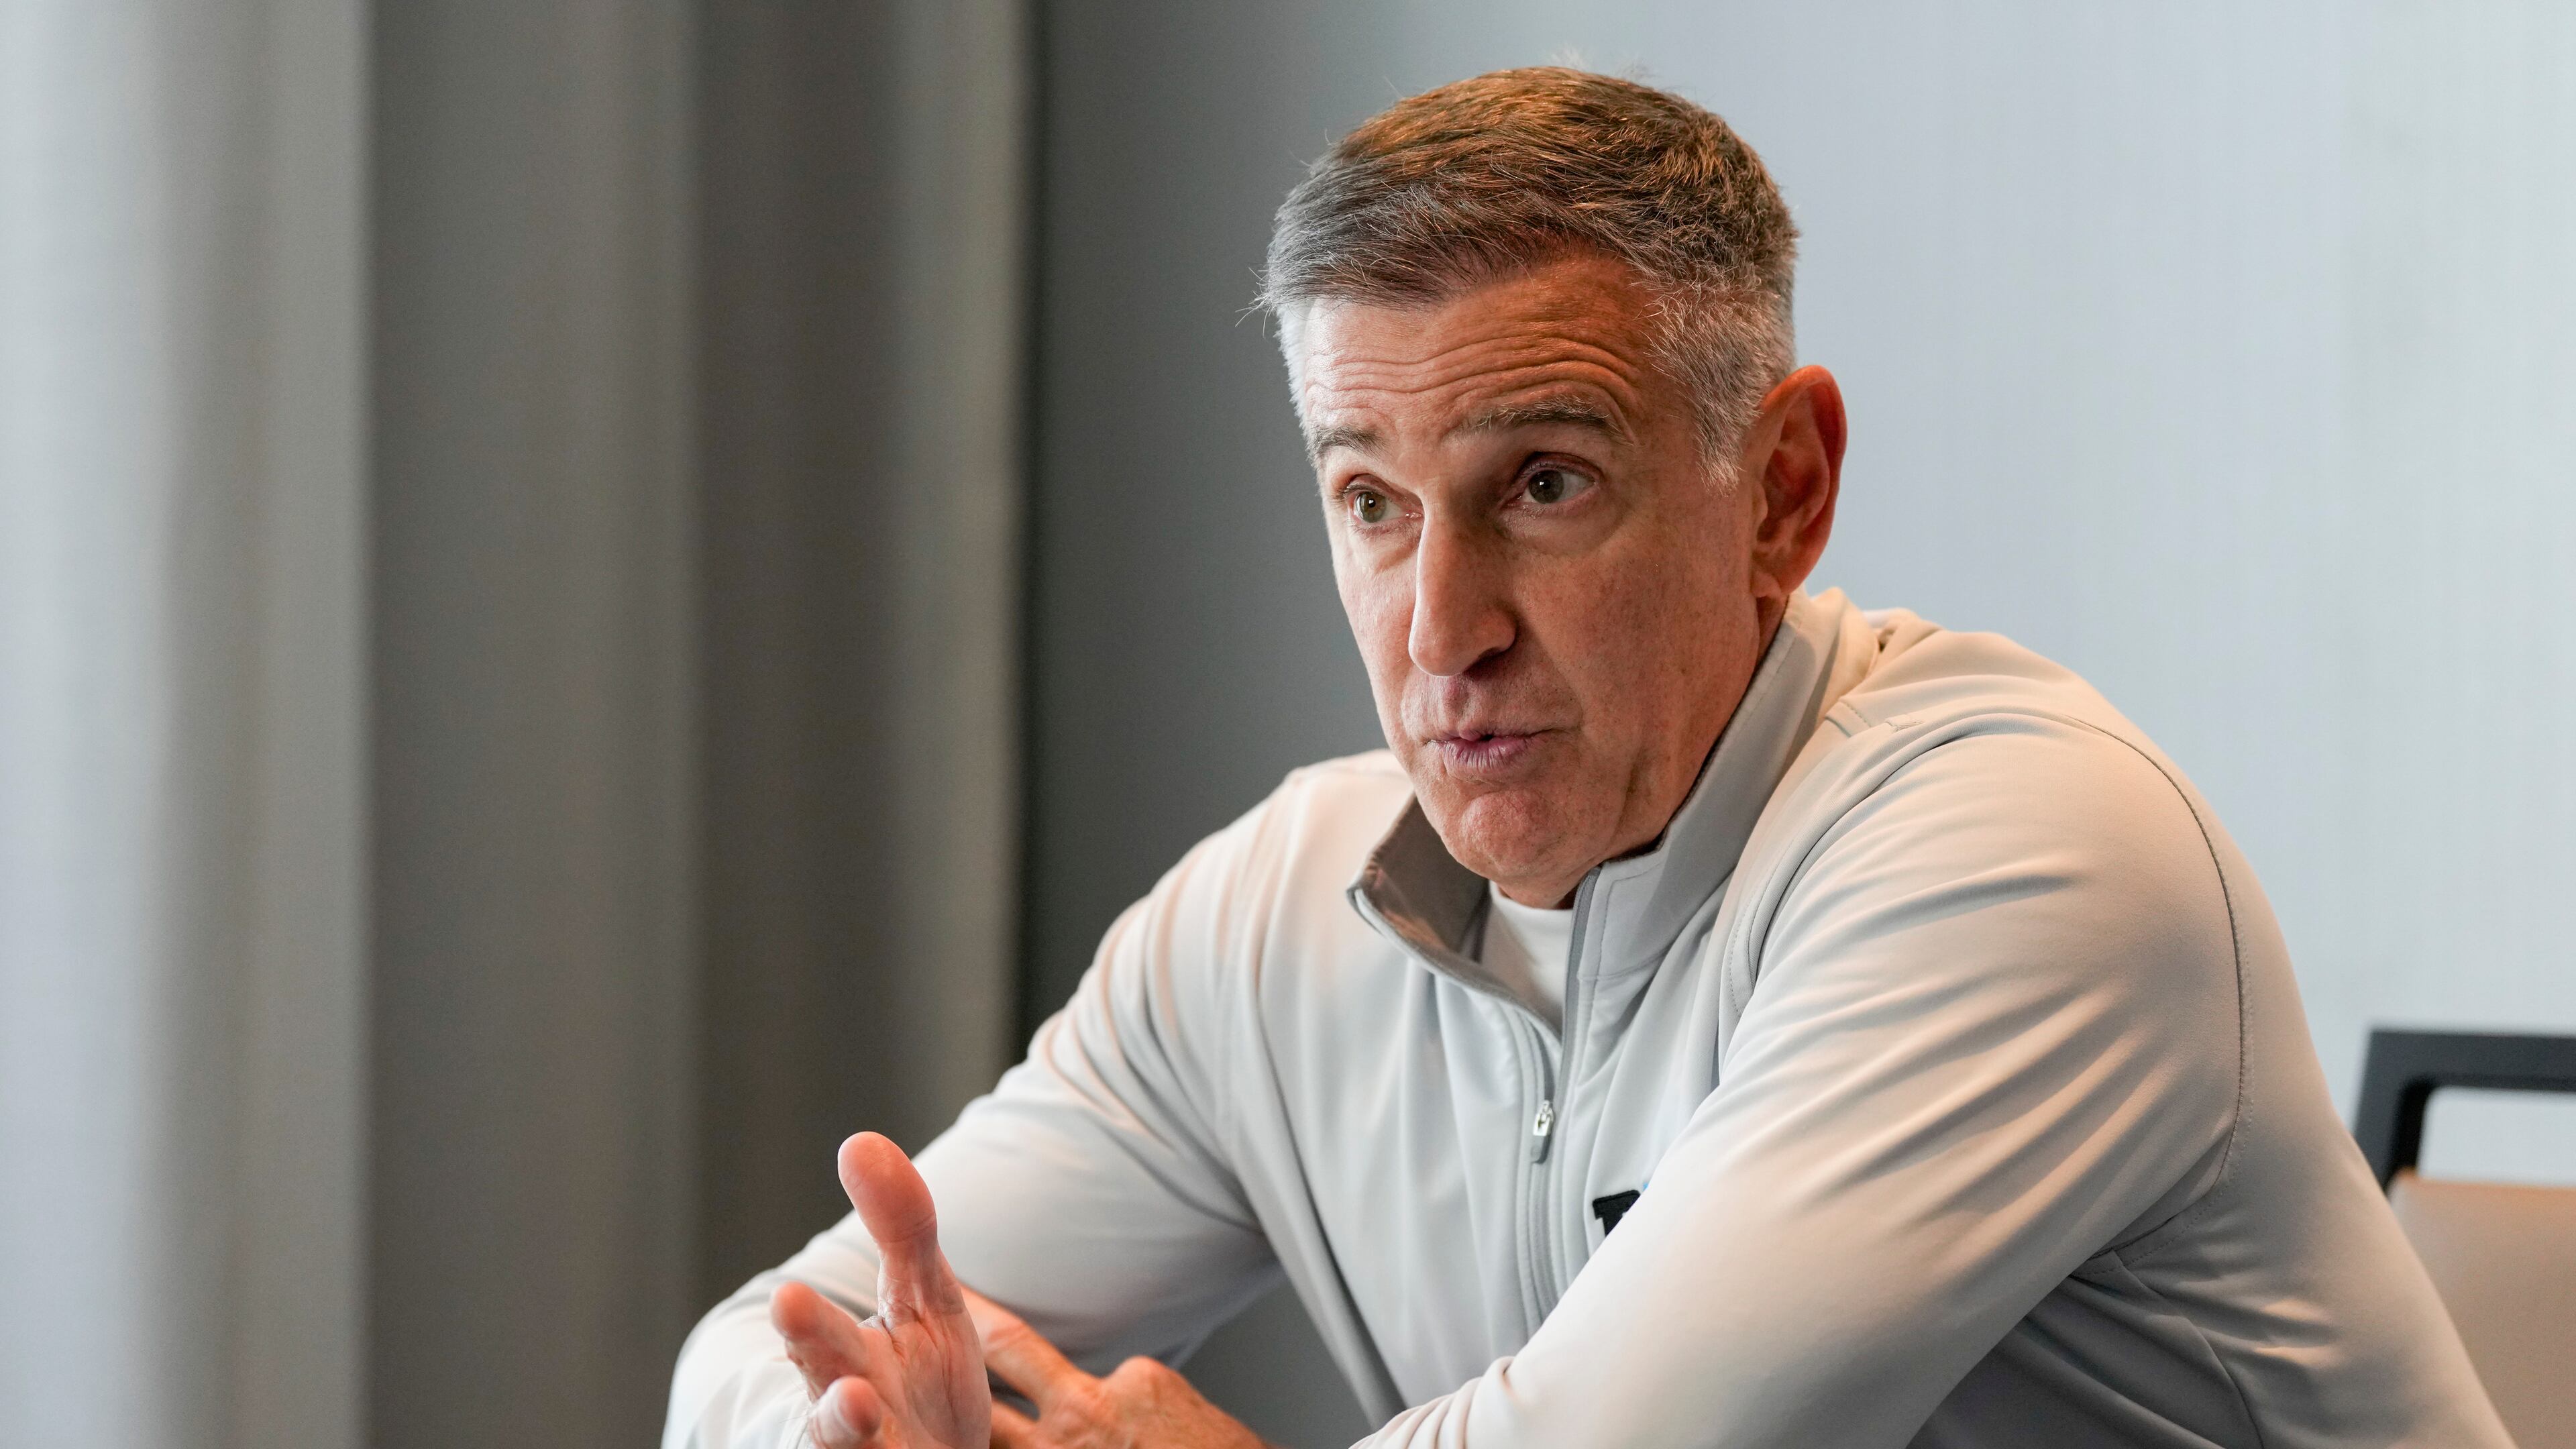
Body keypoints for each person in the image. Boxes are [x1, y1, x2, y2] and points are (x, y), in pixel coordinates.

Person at [665, 68, 2509, 1449]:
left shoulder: (2025, 850)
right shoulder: (1272, 917)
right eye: (1371, 504)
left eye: (1542, 487)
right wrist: (857, 1431)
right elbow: (761, 1339)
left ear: (1779, 490)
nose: (1438, 624)